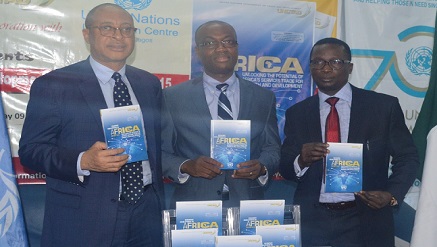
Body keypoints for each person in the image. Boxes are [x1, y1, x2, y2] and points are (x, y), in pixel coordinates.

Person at [18, 3, 164, 247]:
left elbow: (159, 146)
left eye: (127, 29)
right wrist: (82, 161)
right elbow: (31, 151)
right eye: (107, 28)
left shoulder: (148, 83)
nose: (119, 36)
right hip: (83, 217)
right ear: (87, 35)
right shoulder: (55, 84)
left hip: (145, 215)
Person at [279, 37, 418, 247]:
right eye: (318, 62)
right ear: (310, 68)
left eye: (335, 62)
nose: (325, 68)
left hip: (366, 219)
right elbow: (286, 167)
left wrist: (390, 194)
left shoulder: (382, 107)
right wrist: (301, 160)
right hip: (313, 222)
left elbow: (408, 157)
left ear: (349, 67)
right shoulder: (297, 113)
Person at [161, 20, 281, 208]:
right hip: (194, 205)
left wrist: (262, 166)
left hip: (248, 203)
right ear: (197, 51)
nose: (221, 48)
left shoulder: (263, 97)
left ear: (236, 48)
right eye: (210, 43)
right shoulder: (172, 97)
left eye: (228, 41)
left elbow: (272, 148)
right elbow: (161, 152)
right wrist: (186, 166)